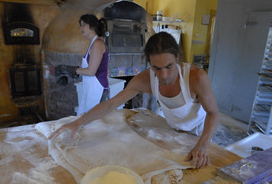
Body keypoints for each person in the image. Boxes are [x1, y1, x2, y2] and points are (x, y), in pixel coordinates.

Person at [49, 32, 219, 169]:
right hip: (173, 132)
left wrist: (202, 145)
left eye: (169, 66)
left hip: (199, 135)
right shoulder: (146, 79)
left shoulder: (196, 77)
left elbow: (213, 113)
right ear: (149, 64)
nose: (164, 75)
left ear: (177, 58)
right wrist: (78, 122)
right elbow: (111, 104)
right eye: (157, 68)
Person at [76, 14, 109, 115]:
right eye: (80, 25)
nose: (81, 28)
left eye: (84, 25)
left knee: (95, 124)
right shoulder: (93, 44)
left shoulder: (97, 44)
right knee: (89, 121)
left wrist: (74, 70)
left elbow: (91, 71)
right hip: (92, 89)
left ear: (92, 27)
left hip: (98, 90)